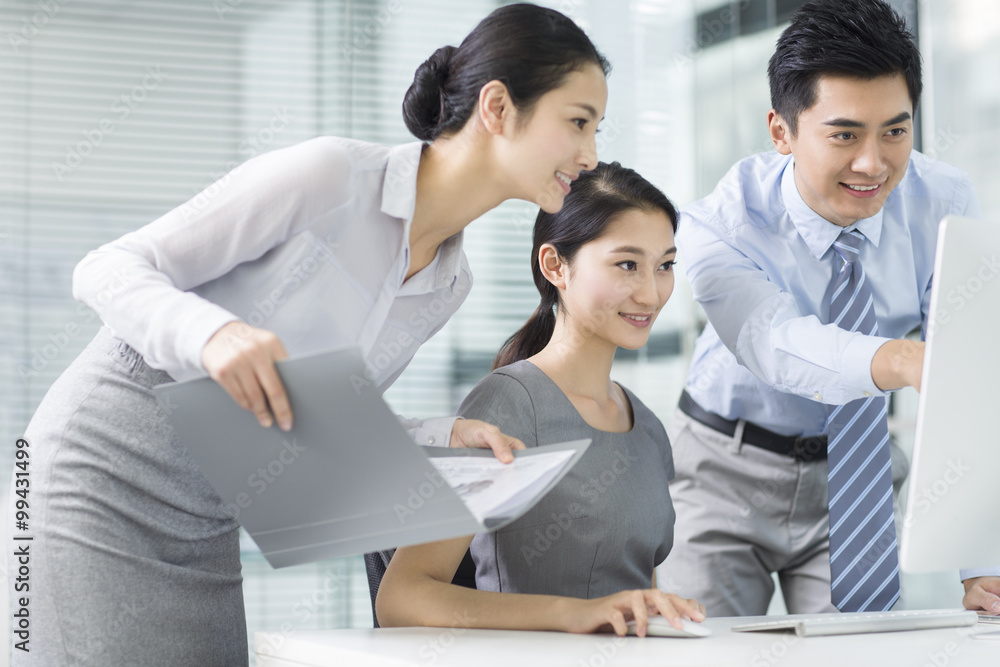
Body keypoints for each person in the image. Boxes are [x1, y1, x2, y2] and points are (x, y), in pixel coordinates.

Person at [6, 5, 611, 665]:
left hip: (206, 516)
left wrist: (441, 436)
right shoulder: (330, 178)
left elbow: (307, 411)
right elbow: (107, 266)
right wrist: (214, 333)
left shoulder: (448, 282)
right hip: (96, 479)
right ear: (498, 107)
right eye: (577, 122)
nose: (591, 155)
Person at [658, 0, 1000, 617]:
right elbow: (777, 344)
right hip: (721, 471)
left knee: (867, 656)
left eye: (895, 131)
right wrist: (901, 360)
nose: (874, 163)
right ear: (781, 131)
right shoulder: (718, 225)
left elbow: (972, 383)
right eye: (845, 134)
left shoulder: (943, 199)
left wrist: (983, 564)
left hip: (857, 474)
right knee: (702, 653)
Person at [376, 161, 706, 637]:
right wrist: (572, 615)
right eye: (627, 264)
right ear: (555, 266)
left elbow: (632, 591)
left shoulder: (648, 427)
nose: (652, 293)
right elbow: (402, 596)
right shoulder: (507, 404)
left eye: (666, 266)